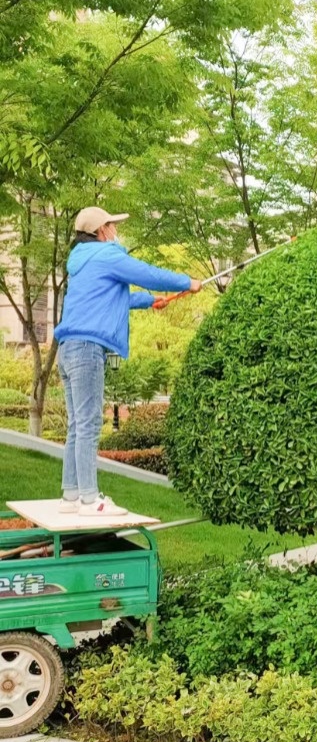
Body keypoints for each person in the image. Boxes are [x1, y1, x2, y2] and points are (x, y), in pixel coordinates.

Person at [54, 206, 202, 516]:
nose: (116, 230)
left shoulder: (81, 262)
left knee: (77, 425)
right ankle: (90, 500)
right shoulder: (107, 256)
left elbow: (116, 297)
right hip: (86, 349)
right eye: (112, 225)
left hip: (67, 348)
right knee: (90, 424)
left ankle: (71, 495)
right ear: (101, 231)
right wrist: (186, 282)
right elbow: (146, 272)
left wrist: (150, 301)